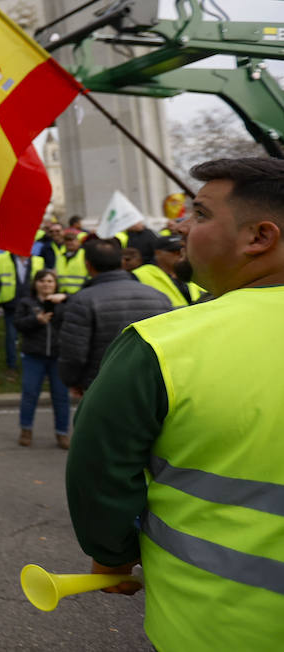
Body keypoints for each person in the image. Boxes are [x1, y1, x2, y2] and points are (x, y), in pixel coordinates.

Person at [66, 157, 284, 648]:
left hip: (214, 629)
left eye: (201, 214)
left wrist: (112, 554)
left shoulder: (159, 346)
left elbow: (98, 468)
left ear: (259, 237)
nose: (181, 226)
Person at [56, 237, 171, 396]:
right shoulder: (159, 297)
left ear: (88, 265)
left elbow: (74, 353)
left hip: (103, 385)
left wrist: (73, 380)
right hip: (152, 384)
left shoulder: (82, 300)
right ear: (122, 262)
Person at [12, 269, 69, 447]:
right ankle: (26, 430)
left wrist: (65, 298)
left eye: (50, 281)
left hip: (58, 355)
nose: (46, 284)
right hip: (33, 355)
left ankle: (62, 433)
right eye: (42, 281)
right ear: (35, 283)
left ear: (56, 284)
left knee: (61, 396)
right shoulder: (26, 302)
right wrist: (37, 320)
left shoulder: (64, 302)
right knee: (30, 394)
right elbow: (18, 324)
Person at [0, 247, 44, 379]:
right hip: (12, 304)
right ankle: (12, 365)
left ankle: (35, 365)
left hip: (32, 303)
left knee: (34, 335)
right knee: (11, 336)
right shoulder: (2, 259)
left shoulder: (38, 261)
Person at [132, 235, 207, 308]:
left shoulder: (193, 270)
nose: (181, 254)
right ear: (158, 253)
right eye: (175, 252)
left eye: (183, 250)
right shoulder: (140, 274)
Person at [51, 227, 89, 294]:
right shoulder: (60, 257)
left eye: (72, 240)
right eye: (67, 241)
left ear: (78, 242)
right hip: (62, 294)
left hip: (80, 293)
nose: (69, 243)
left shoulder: (84, 255)